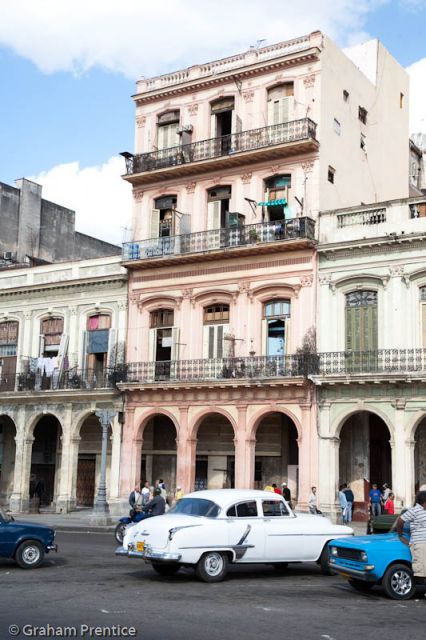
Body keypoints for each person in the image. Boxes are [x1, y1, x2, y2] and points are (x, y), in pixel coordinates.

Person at [396, 490, 426, 585]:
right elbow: (400, 520)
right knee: (422, 571)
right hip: (420, 544)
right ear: (424, 501)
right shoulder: (414, 510)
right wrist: (400, 536)